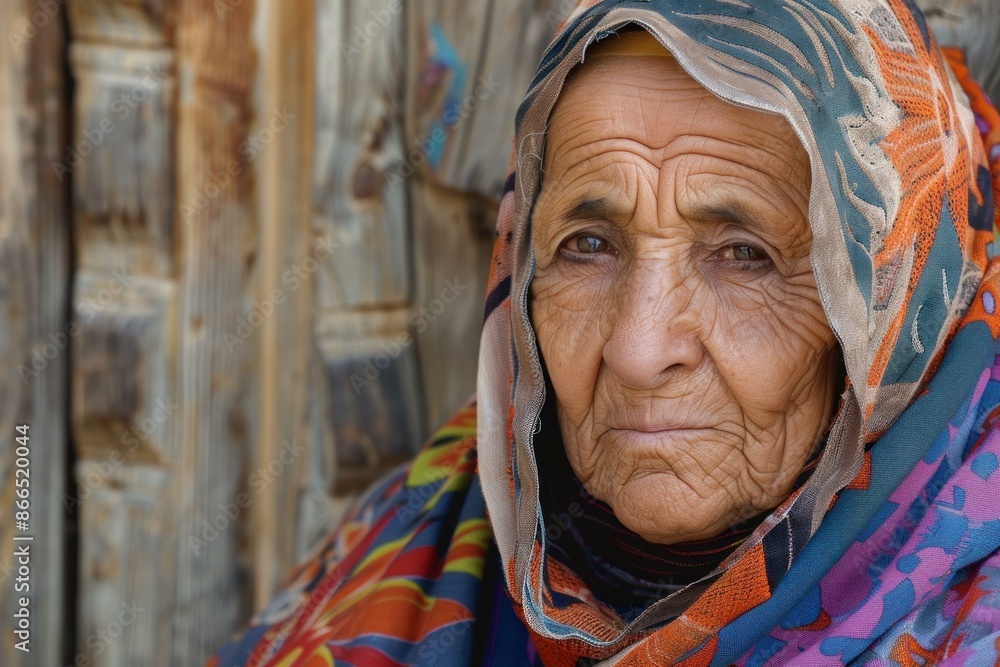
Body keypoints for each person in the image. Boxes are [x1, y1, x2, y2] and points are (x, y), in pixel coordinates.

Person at [210, 1, 1000, 664]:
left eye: (745, 256)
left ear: (897, 308)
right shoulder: (429, 533)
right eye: (587, 245)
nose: (638, 348)